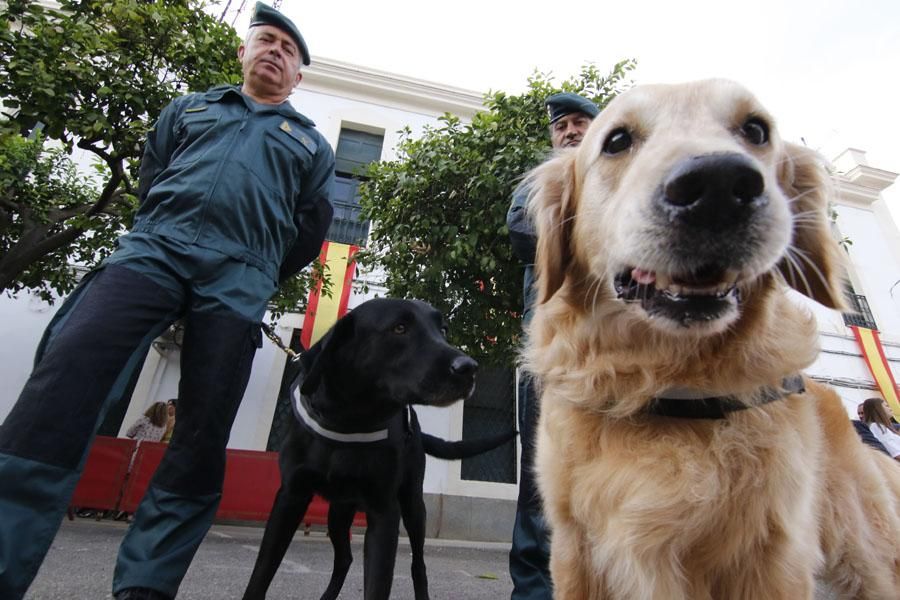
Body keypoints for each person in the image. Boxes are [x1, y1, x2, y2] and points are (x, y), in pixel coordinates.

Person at [0, 4, 334, 599]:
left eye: (289, 48)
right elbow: (154, 175)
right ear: (243, 52)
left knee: (203, 430)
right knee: (64, 377)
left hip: (241, 275)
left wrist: (257, 269)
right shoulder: (191, 108)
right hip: (152, 252)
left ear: (298, 76)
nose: (276, 51)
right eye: (266, 39)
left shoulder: (309, 144)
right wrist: (165, 229)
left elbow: (309, 229)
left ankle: (146, 587)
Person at [506, 92, 599, 599]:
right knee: (542, 471)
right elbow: (523, 233)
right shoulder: (538, 182)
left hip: (616, 347)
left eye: (581, 122)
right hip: (553, 342)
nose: (569, 131)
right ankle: (535, 591)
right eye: (562, 125)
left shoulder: (626, 172)